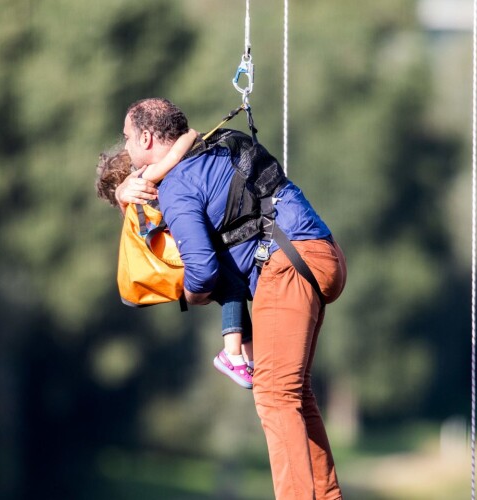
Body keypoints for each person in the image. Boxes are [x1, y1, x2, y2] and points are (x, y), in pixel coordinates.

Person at [115, 97, 347, 500]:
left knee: (275, 396)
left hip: (288, 265)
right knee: (295, 393)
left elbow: (202, 271)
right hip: (321, 254)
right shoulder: (216, 144)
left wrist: (193, 295)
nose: (125, 149)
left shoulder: (177, 187)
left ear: (148, 136)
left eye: (127, 139)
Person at [96, 137, 255, 389]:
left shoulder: (129, 205)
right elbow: (172, 158)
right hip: (189, 259)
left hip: (176, 265)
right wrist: (190, 135)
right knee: (233, 289)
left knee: (231, 290)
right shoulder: (140, 182)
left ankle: (248, 357)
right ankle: (232, 355)